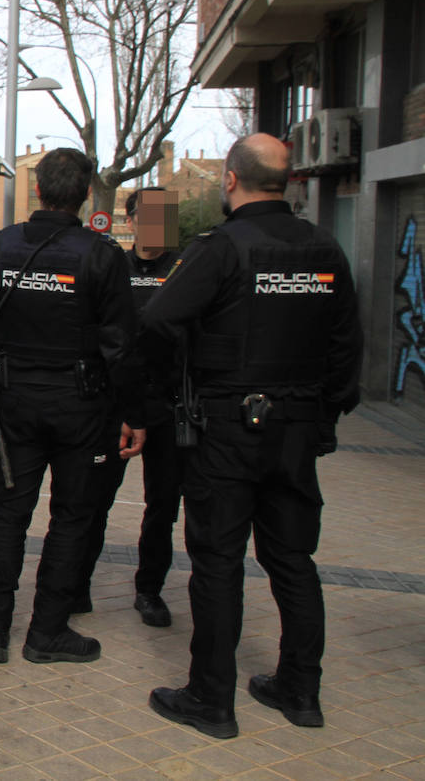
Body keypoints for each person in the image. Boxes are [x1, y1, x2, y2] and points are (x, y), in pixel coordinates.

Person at [142, 133, 363, 739]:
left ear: (231, 181)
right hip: (296, 431)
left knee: (217, 562)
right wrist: (324, 416)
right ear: (288, 183)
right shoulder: (325, 247)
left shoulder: (221, 248)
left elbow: (158, 318)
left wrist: (179, 381)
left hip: (227, 430)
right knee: (294, 560)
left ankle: (211, 700)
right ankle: (300, 691)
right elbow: (348, 347)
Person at [0, 147, 146, 665]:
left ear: (37, 190)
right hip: (81, 406)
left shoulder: (0, 248)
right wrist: (134, 414)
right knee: (71, 517)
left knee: (9, 511)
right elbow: (121, 345)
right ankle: (45, 631)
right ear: (86, 193)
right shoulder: (102, 255)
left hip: (17, 401)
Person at [75, 187, 184, 627]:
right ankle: (77, 584)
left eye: (165, 215)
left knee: (163, 505)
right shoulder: (113, 264)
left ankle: (149, 590)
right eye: (147, 215)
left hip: (169, 406)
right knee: (95, 499)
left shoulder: (187, 267)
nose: (156, 224)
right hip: (117, 406)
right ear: (131, 219)